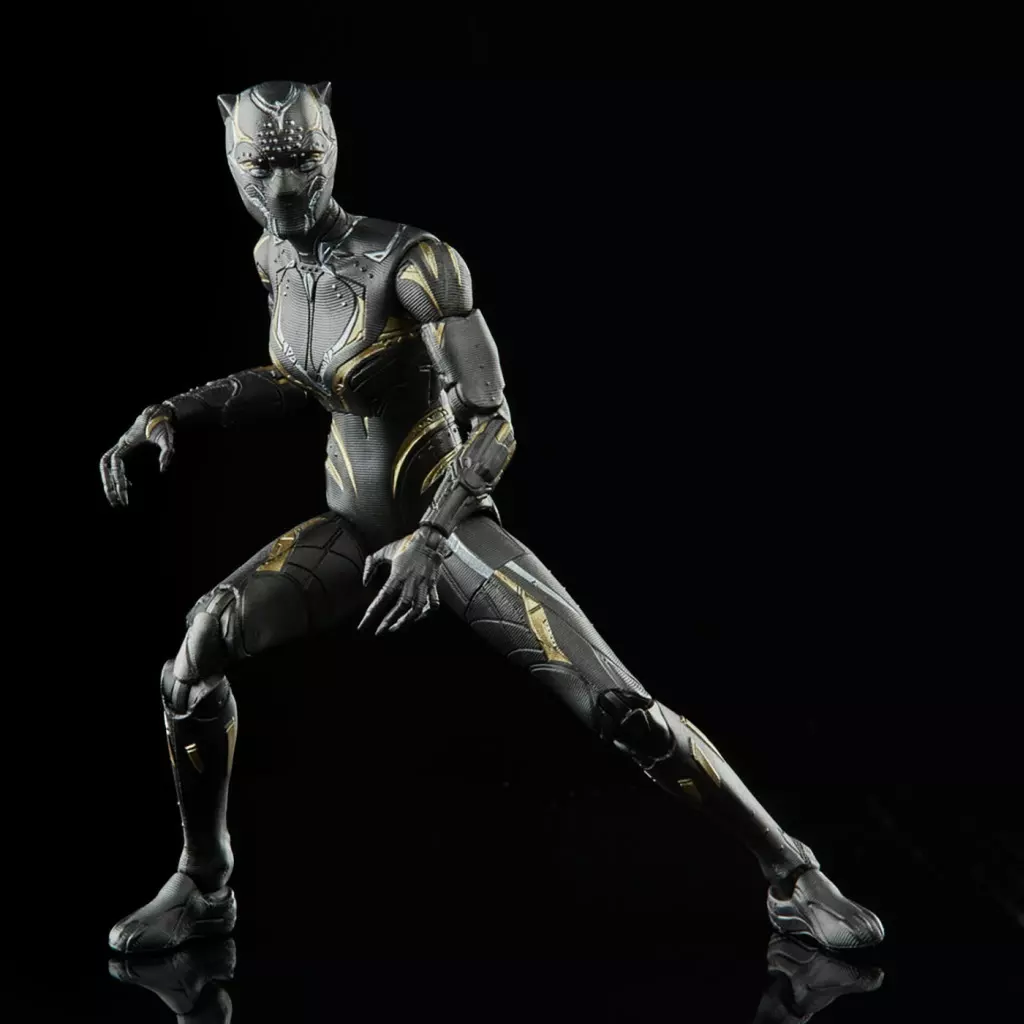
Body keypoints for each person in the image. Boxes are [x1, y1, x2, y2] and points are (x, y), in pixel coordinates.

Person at [101, 80, 884, 954]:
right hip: (353, 530)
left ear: (331, 149)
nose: (283, 192)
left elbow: (494, 422)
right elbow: (300, 377)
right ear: (231, 156)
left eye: (301, 164)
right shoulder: (272, 258)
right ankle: (204, 882)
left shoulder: (414, 263)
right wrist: (175, 410)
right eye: (261, 168)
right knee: (198, 648)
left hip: (450, 530)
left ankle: (793, 874)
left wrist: (433, 537)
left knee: (621, 709)